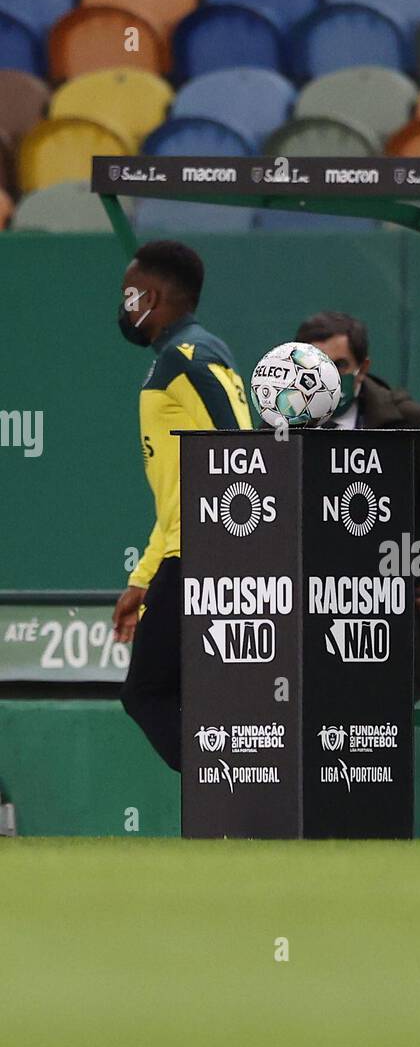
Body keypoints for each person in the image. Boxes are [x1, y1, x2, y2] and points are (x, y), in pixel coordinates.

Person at [112, 241, 252, 770]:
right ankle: (237, 787)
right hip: (189, 553)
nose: (123, 306)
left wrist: (229, 554)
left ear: (149, 296)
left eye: (128, 295)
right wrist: (142, 578)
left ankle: (235, 782)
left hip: (199, 556)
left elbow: (242, 452)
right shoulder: (194, 354)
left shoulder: (185, 359)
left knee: (146, 692)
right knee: (185, 693)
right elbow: (176, 493)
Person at [294, 310, 420, 700]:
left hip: (391, 628)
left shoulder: (406, 422)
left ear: (362, 367)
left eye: (339, 365)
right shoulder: (281, 424)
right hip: (308, 627)